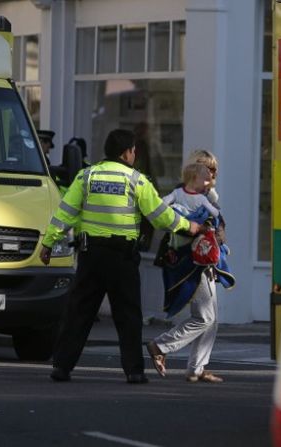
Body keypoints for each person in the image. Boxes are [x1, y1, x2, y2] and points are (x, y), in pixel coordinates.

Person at [39, 128, 201, 384]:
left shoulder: (87, 176)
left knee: (79, 313)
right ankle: (134, 372)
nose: (134, 154)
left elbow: (65, 213)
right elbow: (161, 215)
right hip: (122, 259)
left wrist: (48, 243)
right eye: (134, 150)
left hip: (91, 256)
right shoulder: (137, 180)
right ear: (127, 153)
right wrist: (188, 227)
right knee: (128, 316)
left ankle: (62, 366)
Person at [147, 151, 235, 384]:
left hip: (205, 260)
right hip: (190, 262)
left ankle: (197, 368)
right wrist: (193, 227)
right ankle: (161, 345)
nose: (212, 174)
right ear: (196, 171)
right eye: (208, 169)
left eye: (214, 170)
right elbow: (164, 216)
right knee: (205, 317)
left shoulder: (206, 195)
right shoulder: (182, 194)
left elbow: (218, 222)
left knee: (211, 318)